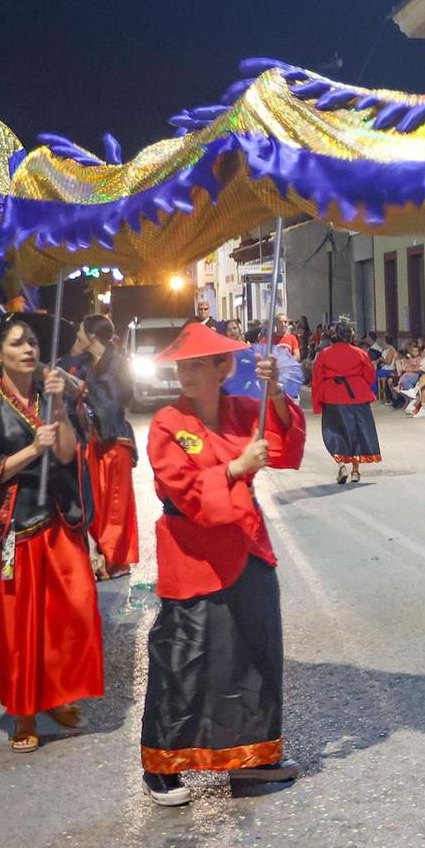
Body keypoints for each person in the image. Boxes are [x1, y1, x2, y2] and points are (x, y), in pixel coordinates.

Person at [140, 321, 305, 805]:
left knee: (253, 654)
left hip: (246, 544)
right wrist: (233, 469)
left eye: (197, 364)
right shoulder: (168, 422)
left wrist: (274, 394)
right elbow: (183, 490)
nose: (185, 374)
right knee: (183, 659)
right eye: (181, 366)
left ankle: (251, 760)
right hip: (192, 552)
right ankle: (164, 766)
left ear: (222, 367)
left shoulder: (242, 412)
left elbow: (284, 447)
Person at [0, 316, 105, 753]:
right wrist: (29, 450)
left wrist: (58, 410)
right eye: (17, 343)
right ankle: (23, 711)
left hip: (57, 520)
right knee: (17, 629)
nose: (28, 349)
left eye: (32, 342)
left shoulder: (51, 395)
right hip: (9, 529)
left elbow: (68, 453)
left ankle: (55, 696)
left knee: (71, 614)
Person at [65, 315, 139, 578]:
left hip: (114, 439)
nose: (78, 338)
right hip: (90, 442)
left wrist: (83, 389)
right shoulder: (85, 363)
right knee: (93, 501)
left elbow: (115, 397)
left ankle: (115, 560)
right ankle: (100, 556)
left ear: (92, 336)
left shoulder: (118, 363)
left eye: (81, 333)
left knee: (115, 504)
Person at [312, 321, 382, 482]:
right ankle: (356, 471)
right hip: (356, 395)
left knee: (336, 432)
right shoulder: (360, 353)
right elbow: (369, 375)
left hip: (333, 395)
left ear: (335, 335)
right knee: (356, 431)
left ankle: (341, 467)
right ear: (351, 336)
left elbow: (317, 377)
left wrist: (318, 399)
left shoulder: (325, 353)